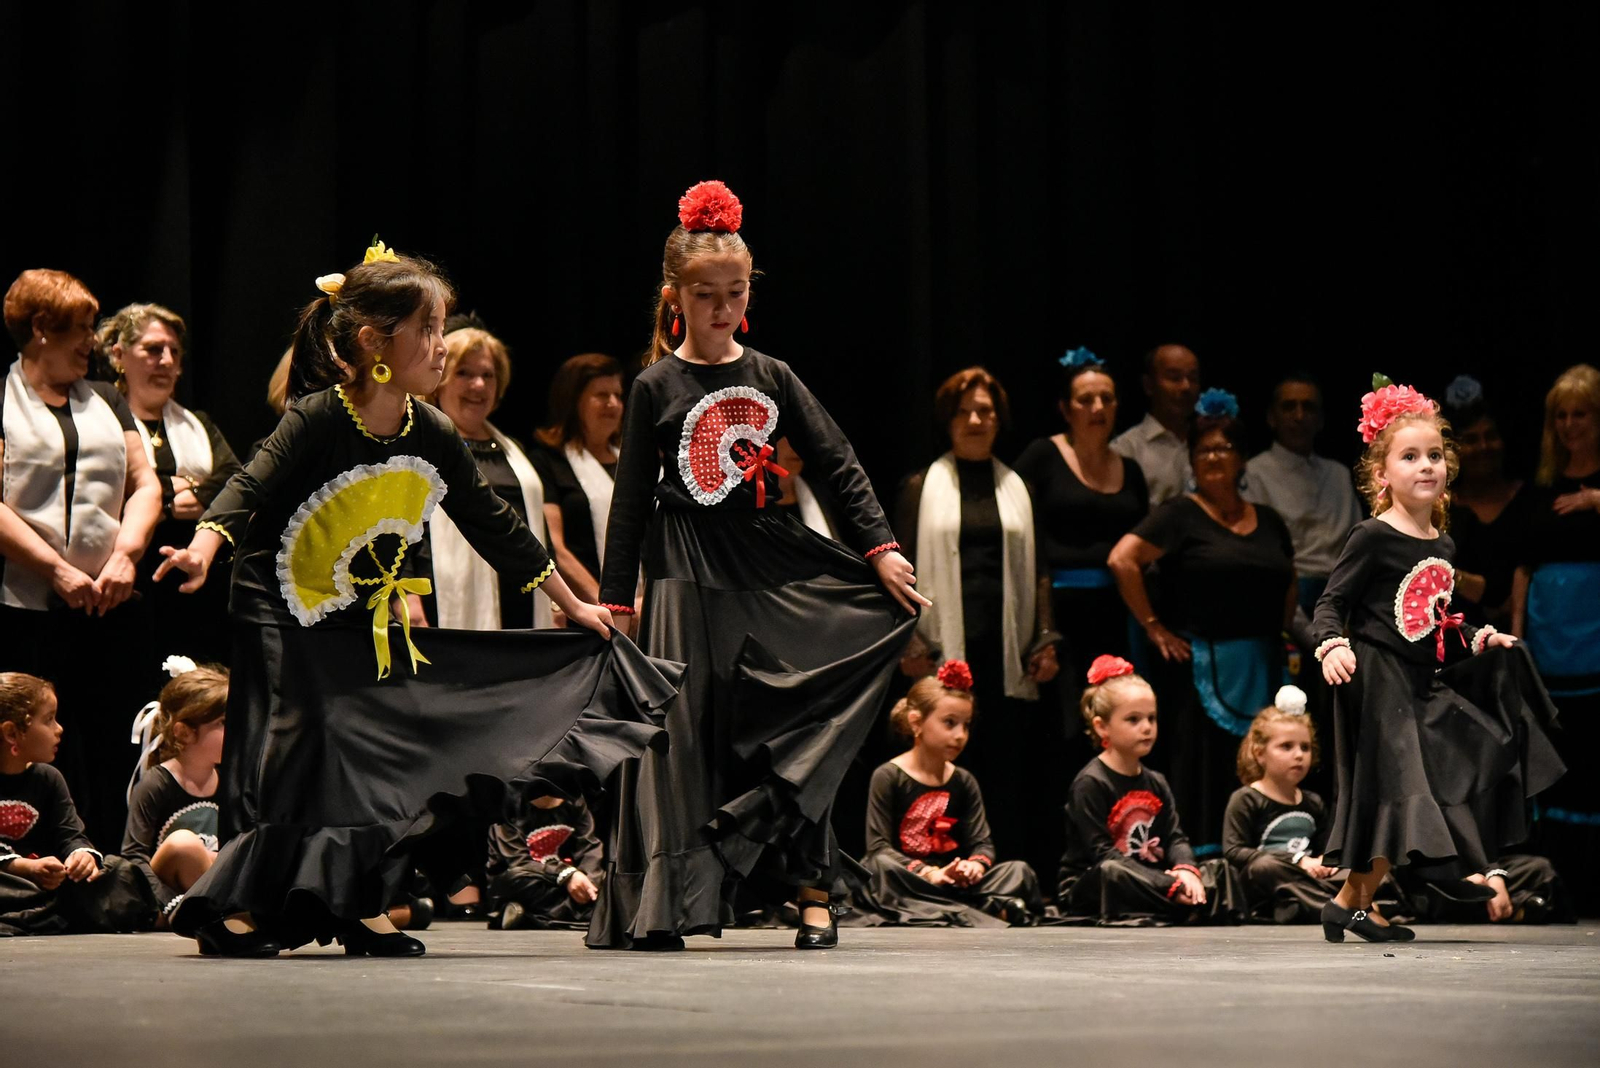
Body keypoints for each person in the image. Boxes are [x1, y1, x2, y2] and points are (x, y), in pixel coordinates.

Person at [154, 240, 675, 958]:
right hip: (279, 604)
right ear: (375, 343)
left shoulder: (428, 431)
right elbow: (250, 486)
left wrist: (572, 603)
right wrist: (202, 548)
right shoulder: (318, 418)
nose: (442, 345)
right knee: (303, 746)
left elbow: (500, 529)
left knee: (374, 751)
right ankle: (239, 901)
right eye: (429, 331)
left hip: (356, 613)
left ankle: (358, 899)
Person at [588, 181, 925, 951]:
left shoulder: (770, 374)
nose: (722, 308)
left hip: (767, 566)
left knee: (792, 724)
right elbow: (631, 503)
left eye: (735, 293)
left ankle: (813, 892)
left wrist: (882, 547)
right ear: (677, 296)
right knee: (680, 738)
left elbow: (837, 460)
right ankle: (668, 900)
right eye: (706, 295)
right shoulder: (653, 386)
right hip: (681, 571)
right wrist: (617, 601)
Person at [1312, 376, 1564, 943]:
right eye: (1409, 457)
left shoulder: (1443, 544)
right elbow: (1331, 603)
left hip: (1421, 679)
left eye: (1434, 455)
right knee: (1408, 787)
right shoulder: (1372, 536)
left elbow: (1439, 621)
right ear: (1382, 475)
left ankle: (1349, 904)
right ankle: (1441, 867)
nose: (1425, 466)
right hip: (1377, 679)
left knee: (1471, 750)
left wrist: (1481, 638)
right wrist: (1332, 645)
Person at [0, 269, 164, 850]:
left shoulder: (109, 401)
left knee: (114, 732)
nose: (91, 341)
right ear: (42, 329)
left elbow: (146, 484)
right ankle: (39, 861)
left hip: (111, 601)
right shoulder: (2, 399)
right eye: (83, 328)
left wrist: (125, 556)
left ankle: (121, 861)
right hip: (30, 607)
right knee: (39, 738)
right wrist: (57, 570)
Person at [1108, 390, 1297, 848]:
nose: (1214, 456)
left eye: (1224, 447)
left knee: (1266, 762)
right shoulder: (1178, 515)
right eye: (1203, 449)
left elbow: (1289, 579)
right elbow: (1122, 560)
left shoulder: (1269, 520)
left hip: (1263, 662)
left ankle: (1269, 856)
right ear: (1191, 460)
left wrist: (1288, 636)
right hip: (1201, 670)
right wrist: (1153, 626)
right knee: (1206, 771)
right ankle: (1205, 866)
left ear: (1242, 458)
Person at [895, 367, 1060, 881]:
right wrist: (908, 641)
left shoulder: (1020, 488)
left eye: (986, 411)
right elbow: (894, 574)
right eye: (965, 411)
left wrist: (1046, 639)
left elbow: (1040, 573)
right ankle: (941, 874)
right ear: (948, 419)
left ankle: (1004, 879)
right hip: (942, 654)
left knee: (1007, 771)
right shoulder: (919, 487)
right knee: (944, 770)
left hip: (1007, 655)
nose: (975, 419)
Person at [101, 303, 243, 668]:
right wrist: (167, 494)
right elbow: (108, 485)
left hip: (193, 586)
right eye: (152, 349)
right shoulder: (98, 421)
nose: (166, 360)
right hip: (127, 582)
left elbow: (233, 478)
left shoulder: (198, 424)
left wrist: (192, 490)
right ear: (119, 355)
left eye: (174, 352)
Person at [1013, 346, 1148, 734]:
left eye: (1106, 398)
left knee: (1115, 716)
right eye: (1085, 399)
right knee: (1064, 721)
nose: (1097, 407)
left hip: (1114, 611)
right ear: (1065, 407)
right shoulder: (1043, 454)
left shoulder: (1131, 469)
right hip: (1057, 609)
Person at [853, 661, 1043, 927]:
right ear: (916, 722)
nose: (960, 735)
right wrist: (929, 873)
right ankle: (979, 909)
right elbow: (878, 848)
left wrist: (973, 867)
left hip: (951, 880)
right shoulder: (888, 775)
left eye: (965, 725)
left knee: (1018, 871)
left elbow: (982, 844)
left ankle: (952, 907)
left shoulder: (963, 780)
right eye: (949, 723)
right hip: (910, 878)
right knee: (877, 868)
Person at [1057, 655, 1242, 925]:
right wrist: (1167, 883)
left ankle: (1183, 898)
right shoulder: (1090, 783)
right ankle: (1180, 900)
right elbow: (1103, 854)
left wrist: (1185, 871)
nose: (1146, 728)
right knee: (1112, 871)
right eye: (1133, 720)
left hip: (1155, 878)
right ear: (1101, 726)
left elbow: (1175, 837)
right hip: (1097, 882)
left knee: (1220, 869)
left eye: (1151, 718)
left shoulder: (1156, 781)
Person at [1220, 687, 1400, 924]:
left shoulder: (1312, 802)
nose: (1299, 755)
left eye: (1305, 747)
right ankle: (1345, 909)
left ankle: (1321, 905)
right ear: (1259, 753)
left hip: (1309, 878)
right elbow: (1234, 851)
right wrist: (1296, 860)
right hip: (1273, 877)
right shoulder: (1246, 798)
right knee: (1264, 867)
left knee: (1370, 871)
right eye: (1286, 747)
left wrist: (1324, 862)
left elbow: (1324, 847)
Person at [0, 672, 154, 935]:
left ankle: (30, 916)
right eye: (49, 720)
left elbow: (70, 834)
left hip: (46, 887)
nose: (59, 729)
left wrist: (80, 856)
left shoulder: (48, 778)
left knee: (119, 871)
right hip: (10, 880)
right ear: (13, 733)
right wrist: (24, 867)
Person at [424, 324, 552, 629]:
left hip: (523, 603)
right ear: (438, 382)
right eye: (464, 373)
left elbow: (537, 533)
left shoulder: (514, 450)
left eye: (488, 375)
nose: (478, 385)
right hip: (441, 602)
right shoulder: (422, 446)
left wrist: (556, 596)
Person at [1244, 373, 1362, 613]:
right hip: (1282, 600)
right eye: (1289, 407)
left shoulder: (1338, 474)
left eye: (1308, 408)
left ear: (1320, 420)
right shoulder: (1253, 473)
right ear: (1271, 417)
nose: (1299, 416)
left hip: (1342, 598)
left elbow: (1358, 546)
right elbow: (1259, 554)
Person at [122, 656, 227, 920]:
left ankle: (225, 915)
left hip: (212, 883)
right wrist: (170, 904)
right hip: (167, 898)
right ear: (184, 732)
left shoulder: (230, 781)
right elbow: (134, 857)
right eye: (223, 723)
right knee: (184, 845)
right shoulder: (157, 783)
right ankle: (210, 915)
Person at [1438, 376, 1535, 631]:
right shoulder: (1442, 506)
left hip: (1526, 633)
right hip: (1457, 639)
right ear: (1454, 449)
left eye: (1490, 436)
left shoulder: (1529, 499)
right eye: (1471, 440)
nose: (1483, 447)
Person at [530, 353, 625, 609]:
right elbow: (555, 548)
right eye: (602, 395)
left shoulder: (631, 462)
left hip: (642, 607)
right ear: (573, 401)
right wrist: (605, 606)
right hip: (585, 611)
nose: (613, 403)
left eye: (618, 395)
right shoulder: (548, 463)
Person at [485, 794, 604, 931]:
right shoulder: (510, 804)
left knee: (607, 880)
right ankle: (576, 915)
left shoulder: (575, 800)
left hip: (563, 886)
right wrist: (567, 875)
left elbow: (589, 847)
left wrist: (589, 883)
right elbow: (517, 860)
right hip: (528, 880)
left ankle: (531, 917)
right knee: (517, 877)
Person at [1111, 343, 1200, 507]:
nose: (1186, 387)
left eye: (1193, 378)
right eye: (1174, 378)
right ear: (1149, 385)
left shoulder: (1206, 442)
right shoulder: (1125, 451)